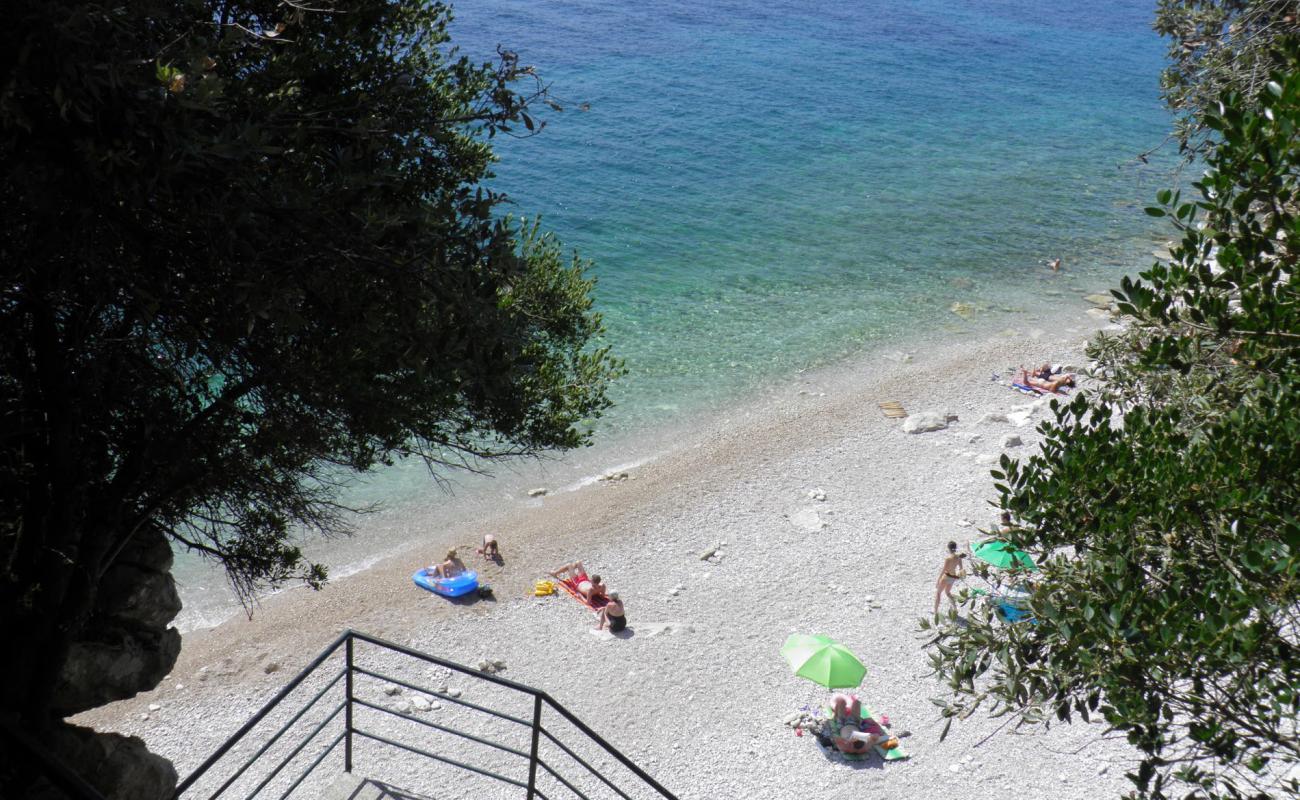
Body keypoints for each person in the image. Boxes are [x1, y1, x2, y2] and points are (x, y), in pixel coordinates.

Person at [934, 541, 967, 615]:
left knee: (938, 593)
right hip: (953, 577)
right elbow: (961, 568)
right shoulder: (958, 558)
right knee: (948, 592)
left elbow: (944, 570)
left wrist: (938, 580)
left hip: (946, 577)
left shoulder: (948, 559)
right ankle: (955, 608)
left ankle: (935, 611)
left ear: (948, 548)